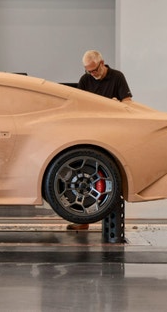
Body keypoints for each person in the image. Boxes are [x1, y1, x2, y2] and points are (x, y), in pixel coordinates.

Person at [68, 50, 133, 230]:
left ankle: (111, 223)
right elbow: (78, 106)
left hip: (111, 133)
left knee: (108, 178)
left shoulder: (117, 77)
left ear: (102, 63)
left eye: (94, 70)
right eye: (88, 71)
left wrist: (116, 105)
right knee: (83, 177)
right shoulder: (85, 80)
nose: (92, 74)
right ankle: (83, 220)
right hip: (89, 132)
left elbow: (128, 103)